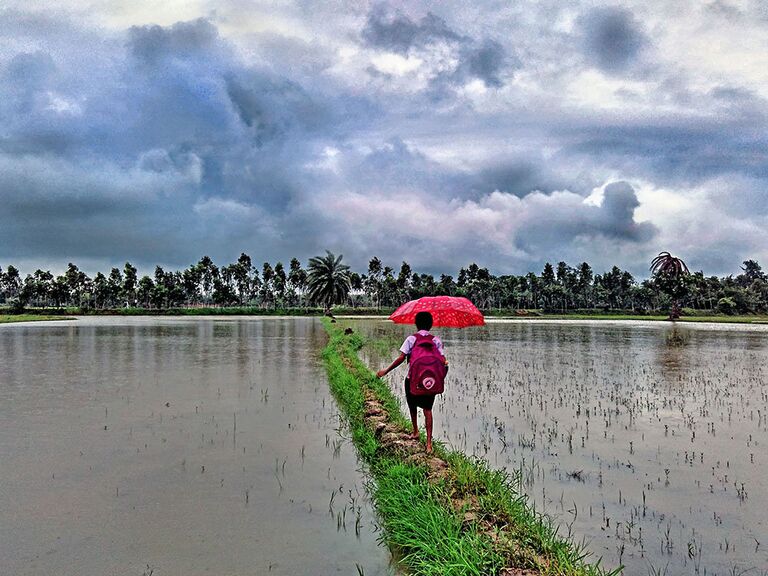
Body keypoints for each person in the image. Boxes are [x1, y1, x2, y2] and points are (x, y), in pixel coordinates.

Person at [376, 311, 448, 453]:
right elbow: (443, 362)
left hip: (412, 380)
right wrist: (440, 379)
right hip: (430, 381)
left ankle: (415, 432)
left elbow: (401, 358)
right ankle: (428, 444)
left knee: (412, 404)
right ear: (431, 325)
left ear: (416, 324)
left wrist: (386, 371)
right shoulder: (436, 340)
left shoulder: (411, 339)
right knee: (428, 410)